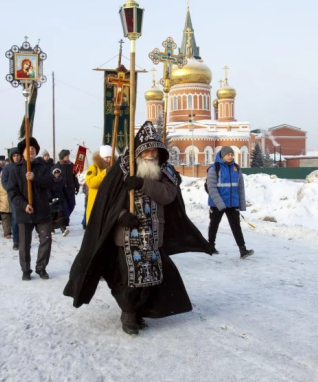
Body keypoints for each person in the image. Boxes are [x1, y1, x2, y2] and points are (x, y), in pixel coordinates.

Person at [64, 121, 212, 335]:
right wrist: (123, 216)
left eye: (154, 150)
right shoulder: (122, 169)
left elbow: (168, 195)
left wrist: (143, 185)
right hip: (125, 236)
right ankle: (128, 313)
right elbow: (108, 203)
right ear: (138, 151)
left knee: (151, 277)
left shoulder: (165, 171)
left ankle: (139, 310)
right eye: (146, 150)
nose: (150, 154)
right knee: (128, 278)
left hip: (153, 235)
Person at [7, 137, 56, 281]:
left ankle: (41, 268)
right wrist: (24, 205)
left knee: (46, 240)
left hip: (42, 211)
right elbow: (12, 192)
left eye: (33, 150)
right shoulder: (15, 170)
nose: (31, 152)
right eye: (28, 150)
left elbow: (51, 182)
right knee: (24, 243)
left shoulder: (43, 167)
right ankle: (26, 270)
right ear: (22, 153)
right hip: (25, 212)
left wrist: (35, 178)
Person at [206, 146, 254, 259]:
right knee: (214, 225)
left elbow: (240, 188)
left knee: (236, 226)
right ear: (223, 155)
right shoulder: (214, 168)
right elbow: (212, 188)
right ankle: (210, 246)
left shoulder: (236, 168)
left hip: (232, 203)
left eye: (232, 154)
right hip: (217, 203)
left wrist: (241, 204)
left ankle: (243, 249)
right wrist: (220, 204)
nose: (230, 156)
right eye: (228, 154)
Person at [84, 145, 112, 224]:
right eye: (106, 157)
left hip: (108, 205)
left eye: (110, 157)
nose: (109, 160)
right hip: (96, 206)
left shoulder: (113, 168)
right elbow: (91, 183)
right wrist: (104, 173)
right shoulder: (93, 168)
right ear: (101, 157)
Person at [2, 148, 21, 250]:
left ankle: (24, 240)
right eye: (14, 156)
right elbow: (4, 182)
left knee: (25, 219)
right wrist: (11, 190)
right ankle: (16, 241)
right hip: (13, 196)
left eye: (18, 155)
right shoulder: (8, 168)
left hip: (25, 195)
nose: (16, 157)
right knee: (15, 218)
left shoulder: (24, 165)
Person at [53, 149, 80, 222]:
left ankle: (65, 218)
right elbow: (53, 178)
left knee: (72, 204)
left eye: (68, 156)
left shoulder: (71, 165)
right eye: (66, 156)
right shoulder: (57, 166)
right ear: (62, 157)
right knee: (64, 206)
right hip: (62, 191)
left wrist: (77, 186)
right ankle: (65, 220)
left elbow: (75, 177)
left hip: (71, 189)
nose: (68, 157)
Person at [49, 167, 70, 236]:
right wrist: (50, 198)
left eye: (58, 173)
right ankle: (51, 229)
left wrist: (67, 197)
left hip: (60, 200)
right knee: (52, 215)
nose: (57, 174)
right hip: (52, 201)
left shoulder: (62, 181)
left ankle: (63, 229)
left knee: (61, 215)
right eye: (55, 173)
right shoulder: (50, 181)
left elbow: (65, 190)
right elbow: (47, 191)